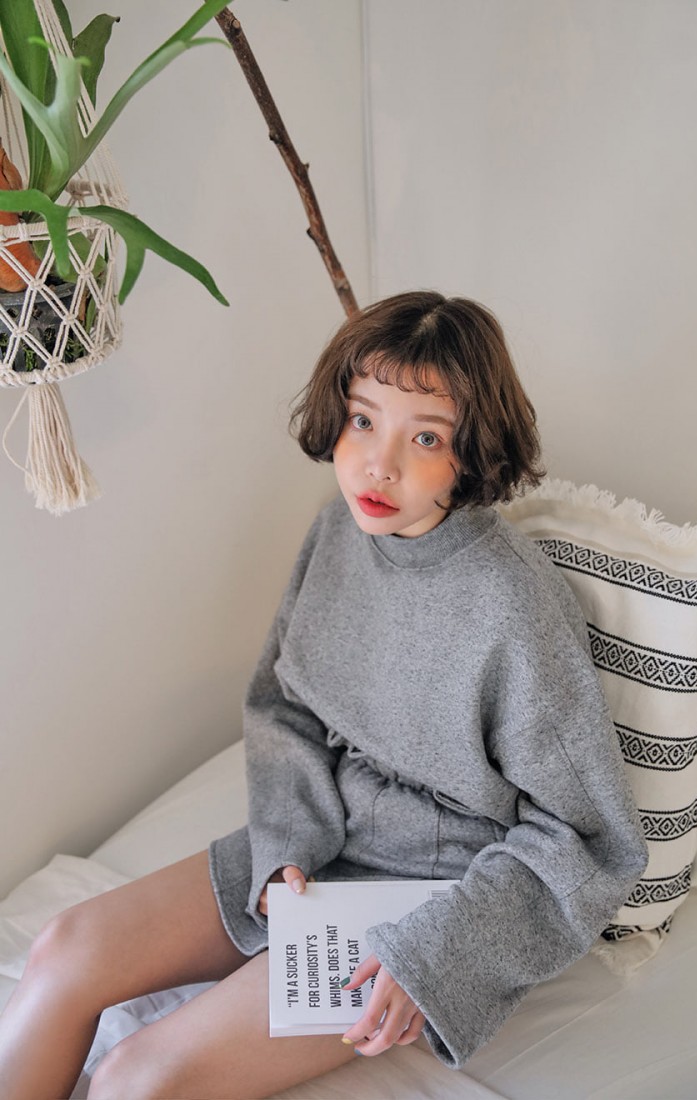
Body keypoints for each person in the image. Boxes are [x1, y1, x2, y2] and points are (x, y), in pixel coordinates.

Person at [0, 291, 647, 1099]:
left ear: (472, 451)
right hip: (316, 844)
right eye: (363, 420)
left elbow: (591, 841)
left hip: (429, 898)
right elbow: (287, 706)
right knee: (63, 951)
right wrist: (285, 846)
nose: (378, 464)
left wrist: (439, 956)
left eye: (425, 437)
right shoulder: (339, 530)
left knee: (138, 1078)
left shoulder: (514, 605)